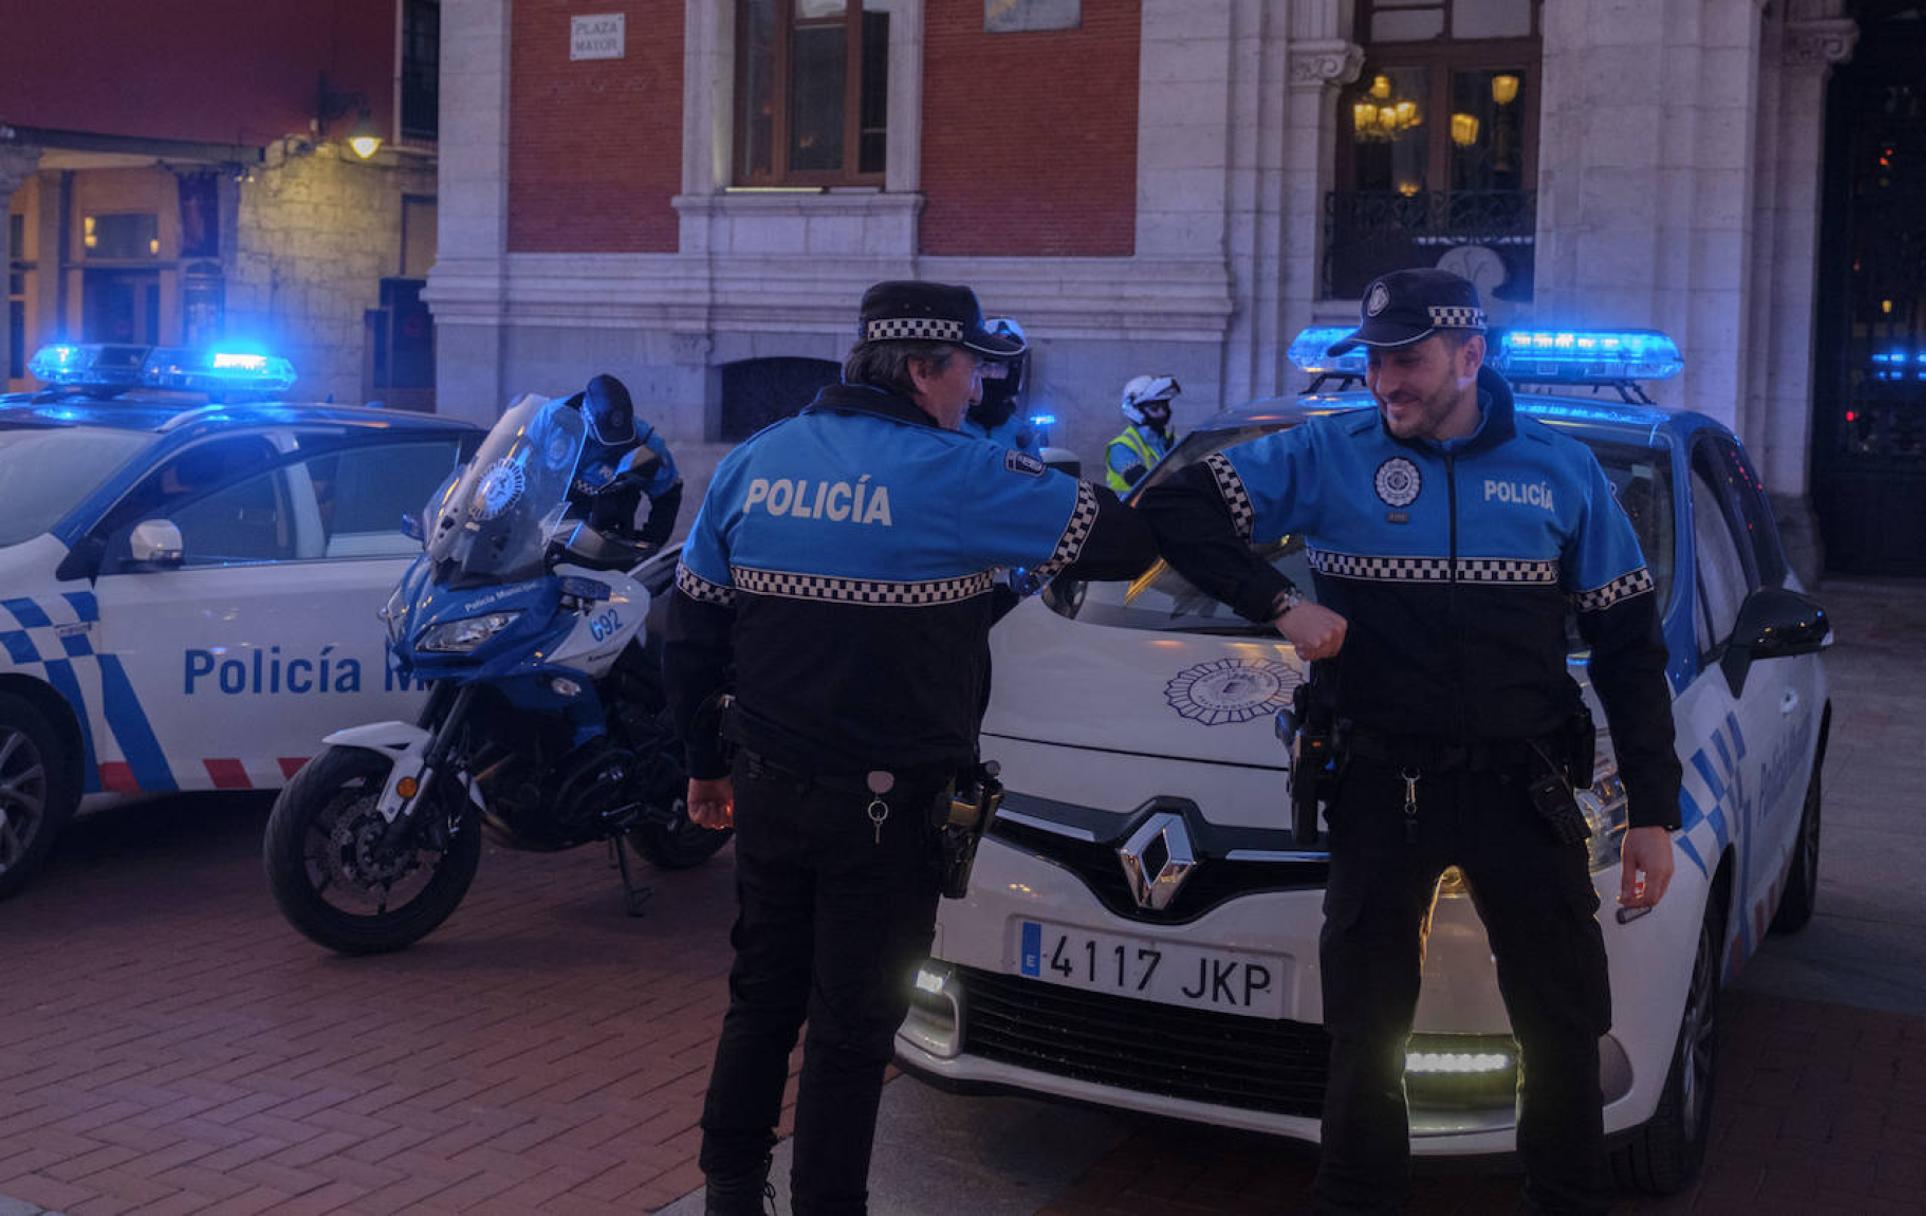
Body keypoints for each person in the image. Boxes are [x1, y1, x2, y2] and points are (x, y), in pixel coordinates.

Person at [1136, 268, 1681, 1216]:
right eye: (1379, 360)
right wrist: (1277, 602)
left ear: (1471, 356)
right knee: (1365, 1027)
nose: (1389, 381)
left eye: (1411, 360)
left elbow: (1632, 651)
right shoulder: (1327, 452)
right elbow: (1173, 509)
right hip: (1382, 785)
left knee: (1560, 1028)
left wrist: (1654, 813)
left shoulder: (1563, 469)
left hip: (1526, 788)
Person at [664, 280, 1156, 1216]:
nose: (977, 390)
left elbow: (688, 632)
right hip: (887, 811)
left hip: (767, 785)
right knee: (851, 1031)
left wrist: (703, 765)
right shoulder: (962, 473)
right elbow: (1124, 543)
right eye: (971, 368)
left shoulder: (757, 460)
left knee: (762, 994)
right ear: (928, 369)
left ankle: (730, 1191)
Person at [565, 372, 685, 548]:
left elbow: (668, 494)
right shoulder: (554, 419)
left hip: (606, 537)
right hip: (549, 528)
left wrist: (649, 540)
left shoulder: (648, 443)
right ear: (586, 417)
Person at [960, 316, 1036, 451]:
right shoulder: (951, 427)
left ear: (1014, 372)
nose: (992, 374)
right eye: (985, 366)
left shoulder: (1022, 435)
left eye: (1000, 367)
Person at [1105, 373, 1180, 493]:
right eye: (1154, 408)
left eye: (1164, 406)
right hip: (1128, 510)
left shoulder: (1174, 441)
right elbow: (1142, 481)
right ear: (1134, 410)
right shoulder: (1121, 447)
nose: (1162, 413)